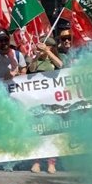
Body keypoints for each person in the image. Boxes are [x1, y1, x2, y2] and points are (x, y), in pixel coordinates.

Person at [26, 38, 62, 174]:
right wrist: (37, 55)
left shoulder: (54, 58)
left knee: (51, 132)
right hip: (36, 101)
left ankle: (51, 162)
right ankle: (36, 162)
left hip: (52, 101)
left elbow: (60, 65)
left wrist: (48, 52)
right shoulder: (35, 59)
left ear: (51, 47)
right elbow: (31, 69)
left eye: (46, 45)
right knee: (36, 131)